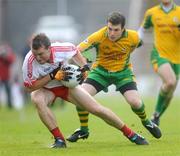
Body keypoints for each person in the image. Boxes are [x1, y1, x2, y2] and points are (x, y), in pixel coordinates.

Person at [22, 33, 149, 148]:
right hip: (45, 90)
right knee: (37, 99)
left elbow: (75, 51)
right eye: (35, 54)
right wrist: (52, 76)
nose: (38, 58)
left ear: (50, 49)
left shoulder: (61, 48)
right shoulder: (29, 62)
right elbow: (29, 88)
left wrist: (84, 68)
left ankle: (131, 134)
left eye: (41, 54)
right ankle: (59, 140)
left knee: (97, 109)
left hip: (66, 86)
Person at [67, 12, 162, 143]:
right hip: (100, 73)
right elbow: (76, 51)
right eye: (109, 28)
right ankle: (83, 129)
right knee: (81, 96)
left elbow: (137, 44)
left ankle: (147, 122)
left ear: (123, 28)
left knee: (135, 103)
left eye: (116, 30)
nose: (112, 33)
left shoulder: (133, 37)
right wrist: (84, 66)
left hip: (123, 73)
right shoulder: (99, 36)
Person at [138, 0, 180, 126]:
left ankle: (156, 116)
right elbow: (142, 29)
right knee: (170, 81)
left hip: (177, 58)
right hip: (159, 55)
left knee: (170, 92)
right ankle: (155, 115)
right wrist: (138, 39)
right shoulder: (152, 13)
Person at [0, 42, 16, 108]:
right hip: (1, 76)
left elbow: (12, 60)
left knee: (8, 91)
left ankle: (10, 105)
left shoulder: (8, 55)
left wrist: (5, 56)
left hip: (6, 76)